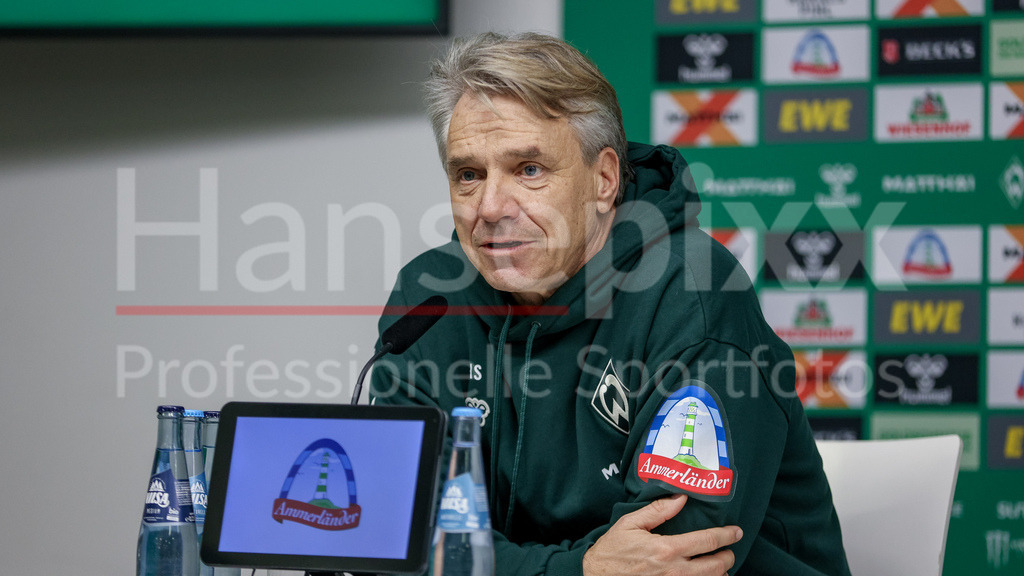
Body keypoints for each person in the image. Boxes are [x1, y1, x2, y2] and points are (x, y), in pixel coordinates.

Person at [370, 31, 850, 576]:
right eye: (468, 175)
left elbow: (675, 559)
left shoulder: (692, 289)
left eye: (529, 170)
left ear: (603, 179)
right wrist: (582, 569)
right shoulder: (428, 298)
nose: (491, 206)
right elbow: (394, 530)